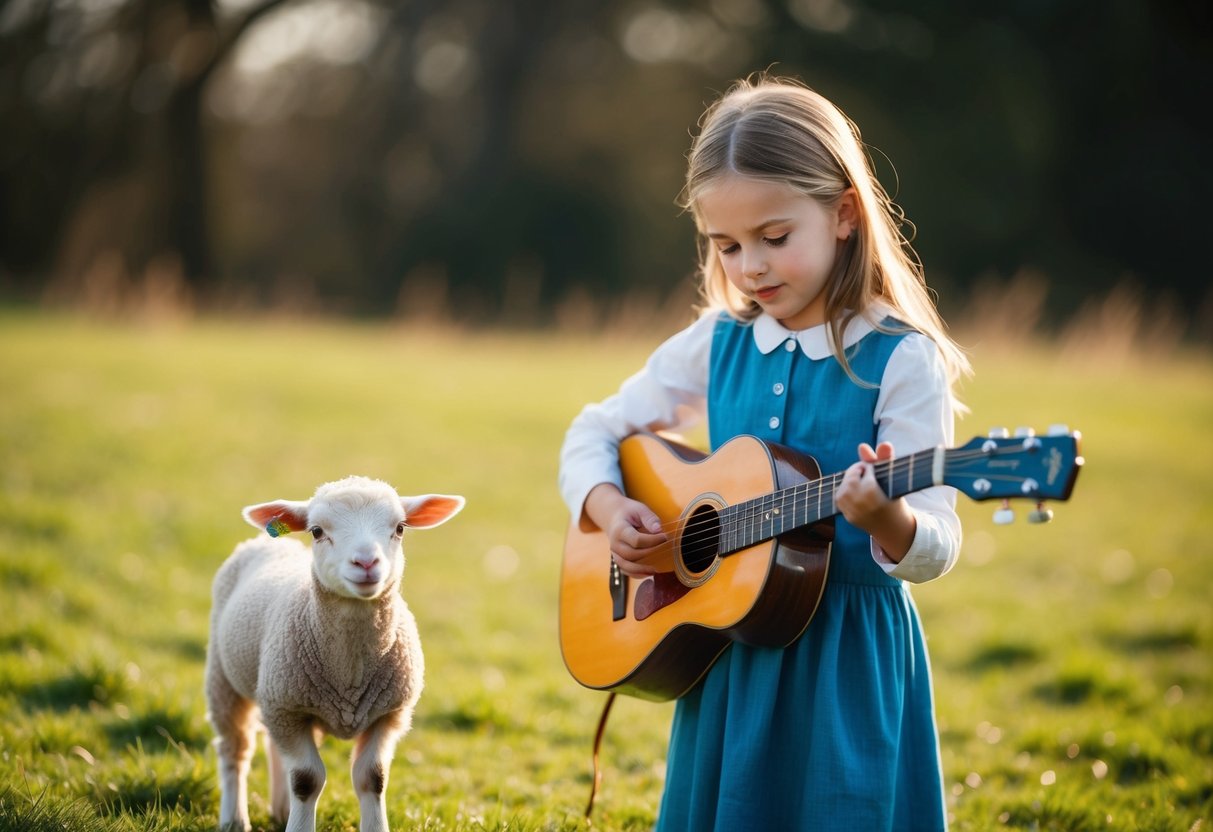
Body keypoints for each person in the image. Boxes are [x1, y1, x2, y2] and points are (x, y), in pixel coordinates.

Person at [558, 73, 971, 830]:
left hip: (848, 658)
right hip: (733, 656)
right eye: (726, 245)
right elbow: (593, 431)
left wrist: (888, 521)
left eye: (774, 238)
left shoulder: (900, 359)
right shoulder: (718, 343)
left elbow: (937, 542)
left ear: (843, 214)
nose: (749, 266)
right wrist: (608, 506)